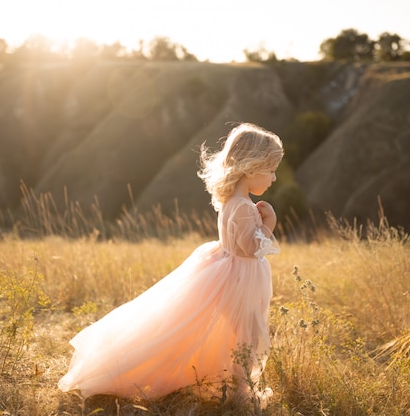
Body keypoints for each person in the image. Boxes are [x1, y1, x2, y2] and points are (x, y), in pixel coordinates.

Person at [58, 122, 284, 406]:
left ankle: (235, 384)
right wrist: (269, 224)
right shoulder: (243, 206)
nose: (274, 178)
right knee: (247, 335)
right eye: (272, 170)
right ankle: (242, 392)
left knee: (237, 334)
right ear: (252, 168)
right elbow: (251, 248)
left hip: (228, 270)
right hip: (239, 276)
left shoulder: (232, 201)